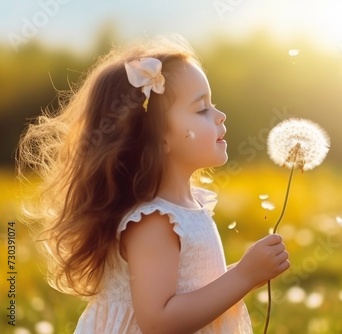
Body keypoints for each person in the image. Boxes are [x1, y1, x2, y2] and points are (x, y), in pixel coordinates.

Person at [17, 36, 290, 333]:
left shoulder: (185, 207)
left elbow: (189, 289)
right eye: (201, 109)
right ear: (158, 137)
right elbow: (158, 321)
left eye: (212, 104)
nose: (220, 115)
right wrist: (243, 277)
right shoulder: (153, 222)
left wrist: (242, 272)